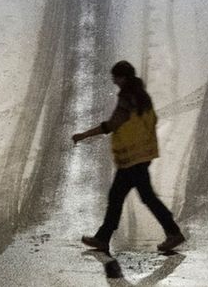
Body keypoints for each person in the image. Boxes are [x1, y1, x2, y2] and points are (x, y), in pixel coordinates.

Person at [72, 60, 185, 254]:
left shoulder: (127, 97)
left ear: (122, 78)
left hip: (132, 161)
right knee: (122, 196)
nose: (113, 80)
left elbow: (112, 124)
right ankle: (103, 238)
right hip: (141, 157)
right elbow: (151, 121)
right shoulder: (143, 96)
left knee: (139, 197)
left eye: (115, 77)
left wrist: (84, 135)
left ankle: (173, 232)